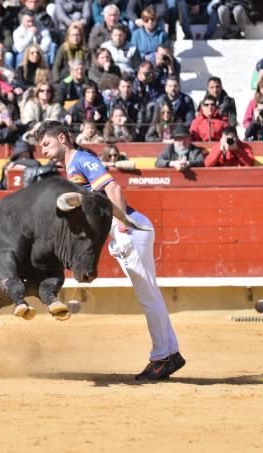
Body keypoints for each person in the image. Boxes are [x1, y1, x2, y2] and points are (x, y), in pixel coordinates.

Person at [35, 120, 185, 381]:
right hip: (126, 230)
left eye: (46, 144)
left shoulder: (81, 159)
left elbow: (113, 188)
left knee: (148, 296)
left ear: (62, 138)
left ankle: (163, 358)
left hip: (129, 230)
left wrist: (120, 227)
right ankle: (169, 353)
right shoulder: (72, 168)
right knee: (150, 294)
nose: (43, 151)